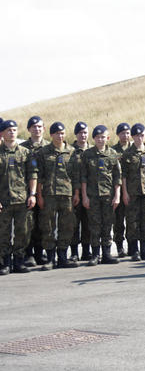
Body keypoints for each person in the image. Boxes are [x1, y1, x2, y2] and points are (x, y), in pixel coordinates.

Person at [35, 122, 78, 269]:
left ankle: (62, 257)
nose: (60, 136)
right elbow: (39, 176)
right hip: (49, 195)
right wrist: (39, 196)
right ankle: (50, 258)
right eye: (57, 133)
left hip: (67, 194)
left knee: (67, 226)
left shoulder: (72, 152)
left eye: (62, 133)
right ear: (51, 135)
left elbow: (76, 176)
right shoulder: (43, 152)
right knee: (47, 226)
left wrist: (76, 194)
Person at [0, 120, 38, 275]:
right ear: (2, 133)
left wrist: (33, 194)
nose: (12, 132)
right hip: (4, 200)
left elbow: (32, 175)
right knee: (3, 232)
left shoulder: (25, 152)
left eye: (14, 130)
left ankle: (19, 261)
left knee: (23, 231)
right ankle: (5, 262)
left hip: (22, 199)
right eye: (9, 130)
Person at [81, 125, 122, 266]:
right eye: (98, 137)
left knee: (107, 224)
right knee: (94, 225)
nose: (100, 139)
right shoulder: (87, 154)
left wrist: (117, 196)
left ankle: (106, 254)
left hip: (108, 196)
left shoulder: (113, 154)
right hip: (92, 196)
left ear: (108, 138)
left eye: (103, 137)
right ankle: (95, 255)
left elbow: (117, 177)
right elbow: (83, 177)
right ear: (93, 138)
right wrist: (84, 196)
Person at [121, 123, 145, 262]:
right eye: (137, 136)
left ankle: (144, 248)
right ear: (132, 137)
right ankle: (134, 250)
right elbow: (123, 176)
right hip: (133, 193)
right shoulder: (127, 154)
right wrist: (125, 193)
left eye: (142, 135)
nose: (139, 138)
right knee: (132, 221)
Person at [21, 115, 46, 267]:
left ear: (44, 128)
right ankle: (28, 254)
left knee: (43, 223)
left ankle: (40, 253)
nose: (37, 129)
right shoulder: (22, 148)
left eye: (39, 126)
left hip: (45, 192)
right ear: (29, 129)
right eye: (34, 127)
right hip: (27, 192)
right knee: (28, 224)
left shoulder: (49, 147)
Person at [68, 121, 91, 262]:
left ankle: (86, 251)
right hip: (73, 193)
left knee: (88, 223)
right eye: (80, 133)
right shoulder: (70, 151)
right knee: (74, 223)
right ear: (76, 134)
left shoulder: (93, 150)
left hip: (90, 193)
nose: (83, 135)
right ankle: (74, 252)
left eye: (85, 132)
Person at [111, 122, 132, 258]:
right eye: (123, 133)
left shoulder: (135, 148)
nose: (126, 135)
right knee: (118, 221)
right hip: (118, 190)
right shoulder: (113, 151)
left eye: (128, 133)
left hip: (133, 189)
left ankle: (132, 246)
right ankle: (119, 247)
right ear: (118, 134)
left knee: (132, 220)